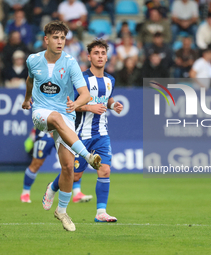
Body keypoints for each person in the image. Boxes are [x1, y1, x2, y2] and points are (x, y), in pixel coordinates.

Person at [22, 21, 102, 232]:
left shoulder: (70, 62)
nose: (60, 42)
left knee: (68, 167)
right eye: (55, 37)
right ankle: (88, 156)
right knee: (56, 117)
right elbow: (30, 80)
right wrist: (27, 99)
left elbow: (86, 94)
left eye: (63, 38)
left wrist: (76, 104)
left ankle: (62, 211)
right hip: (41, 113)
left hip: (66, 115)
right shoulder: (33, 60)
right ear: (46, 39)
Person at [42, 38, 123, 223]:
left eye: (103, 53)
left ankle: (101, 212)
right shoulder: (82, 79)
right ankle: (53, 187)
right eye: (96, 53)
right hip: (79, 134)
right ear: (89, 56)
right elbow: (68, 105)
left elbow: (106, 98)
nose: (100, 56)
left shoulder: (111, 79)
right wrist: (89, 107)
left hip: (101, 134)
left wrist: (113, 105)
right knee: (74, 174)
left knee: (105, 170)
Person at [20, 127, 93, 203]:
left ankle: (77, 193)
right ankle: (25, 193)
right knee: (36, 164)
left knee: (71, 163)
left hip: (62, 133)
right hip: (45, 133)